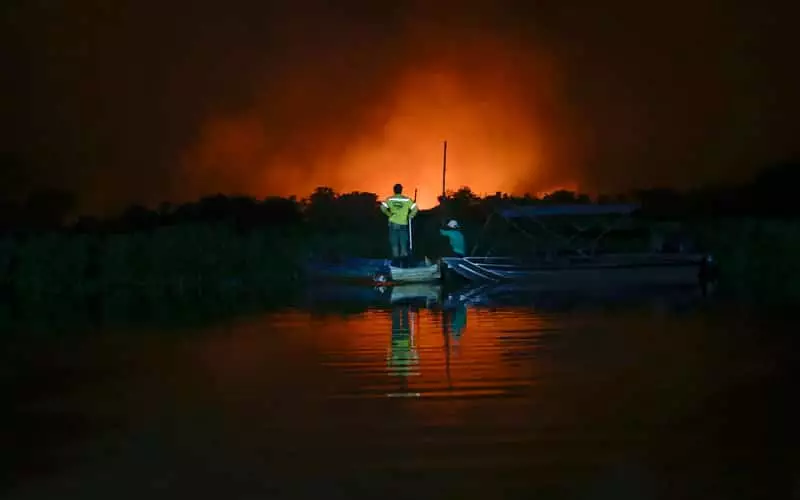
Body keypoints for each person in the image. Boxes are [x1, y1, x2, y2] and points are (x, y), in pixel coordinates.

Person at [380, 183, 418, 264]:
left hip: (393, 224)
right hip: (403, 224)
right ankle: (404, 264)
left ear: (394, 190)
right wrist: (410, 215)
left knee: (394, 245)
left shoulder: (390, 199)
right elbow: (415, 208)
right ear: (401, 190)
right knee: (403, 245)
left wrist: (389, 214)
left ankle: (396, 264)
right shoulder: (407, 200)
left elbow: (382, 207)